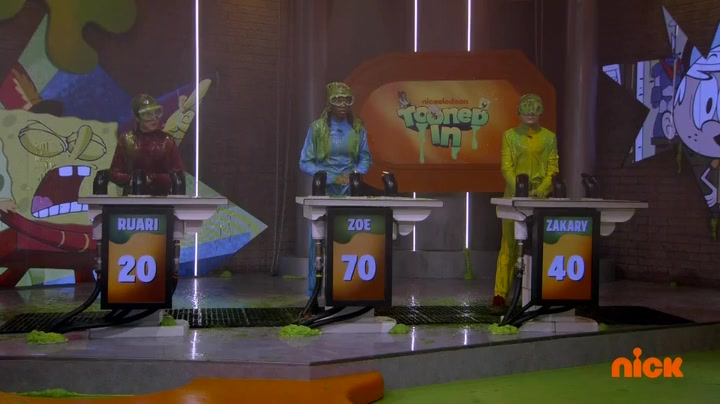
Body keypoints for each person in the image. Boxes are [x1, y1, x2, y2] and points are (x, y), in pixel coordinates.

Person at [299, 82, 373, 301]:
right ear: (329, 103)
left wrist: (355, 174)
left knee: (349, 239)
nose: (342, 104)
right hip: (324, 190)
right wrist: (330, 177)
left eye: (347, 100)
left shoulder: (357, 128)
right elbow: (305, 161)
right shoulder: (317, 128)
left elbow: (365, 157)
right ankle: (314, 292)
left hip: (350, 191)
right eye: (337, 100)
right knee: (317, 240)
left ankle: (345, 289)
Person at [494, 94, 559, 307]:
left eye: (534, 109)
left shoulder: (549, 137)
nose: (530, 113)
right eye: (526, 109)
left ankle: (533, 291)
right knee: (509, 244)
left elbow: (553, 168)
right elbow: (506, 167)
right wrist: (519, 190)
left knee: (537, 245)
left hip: (540, 199)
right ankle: (500, 293)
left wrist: (541, 190)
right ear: (519, 112)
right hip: (513, 198)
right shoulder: (510, 136)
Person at [109, 94, 185, 196]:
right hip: (132, 199)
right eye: (147, 114)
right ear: (137, 117)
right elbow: (114, 173)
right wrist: (133, 180)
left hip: (162, 199)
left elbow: (177, 175)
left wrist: (151, 178)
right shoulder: (126, 140)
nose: (154, 118)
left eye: (157, 112)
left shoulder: (167, 140)